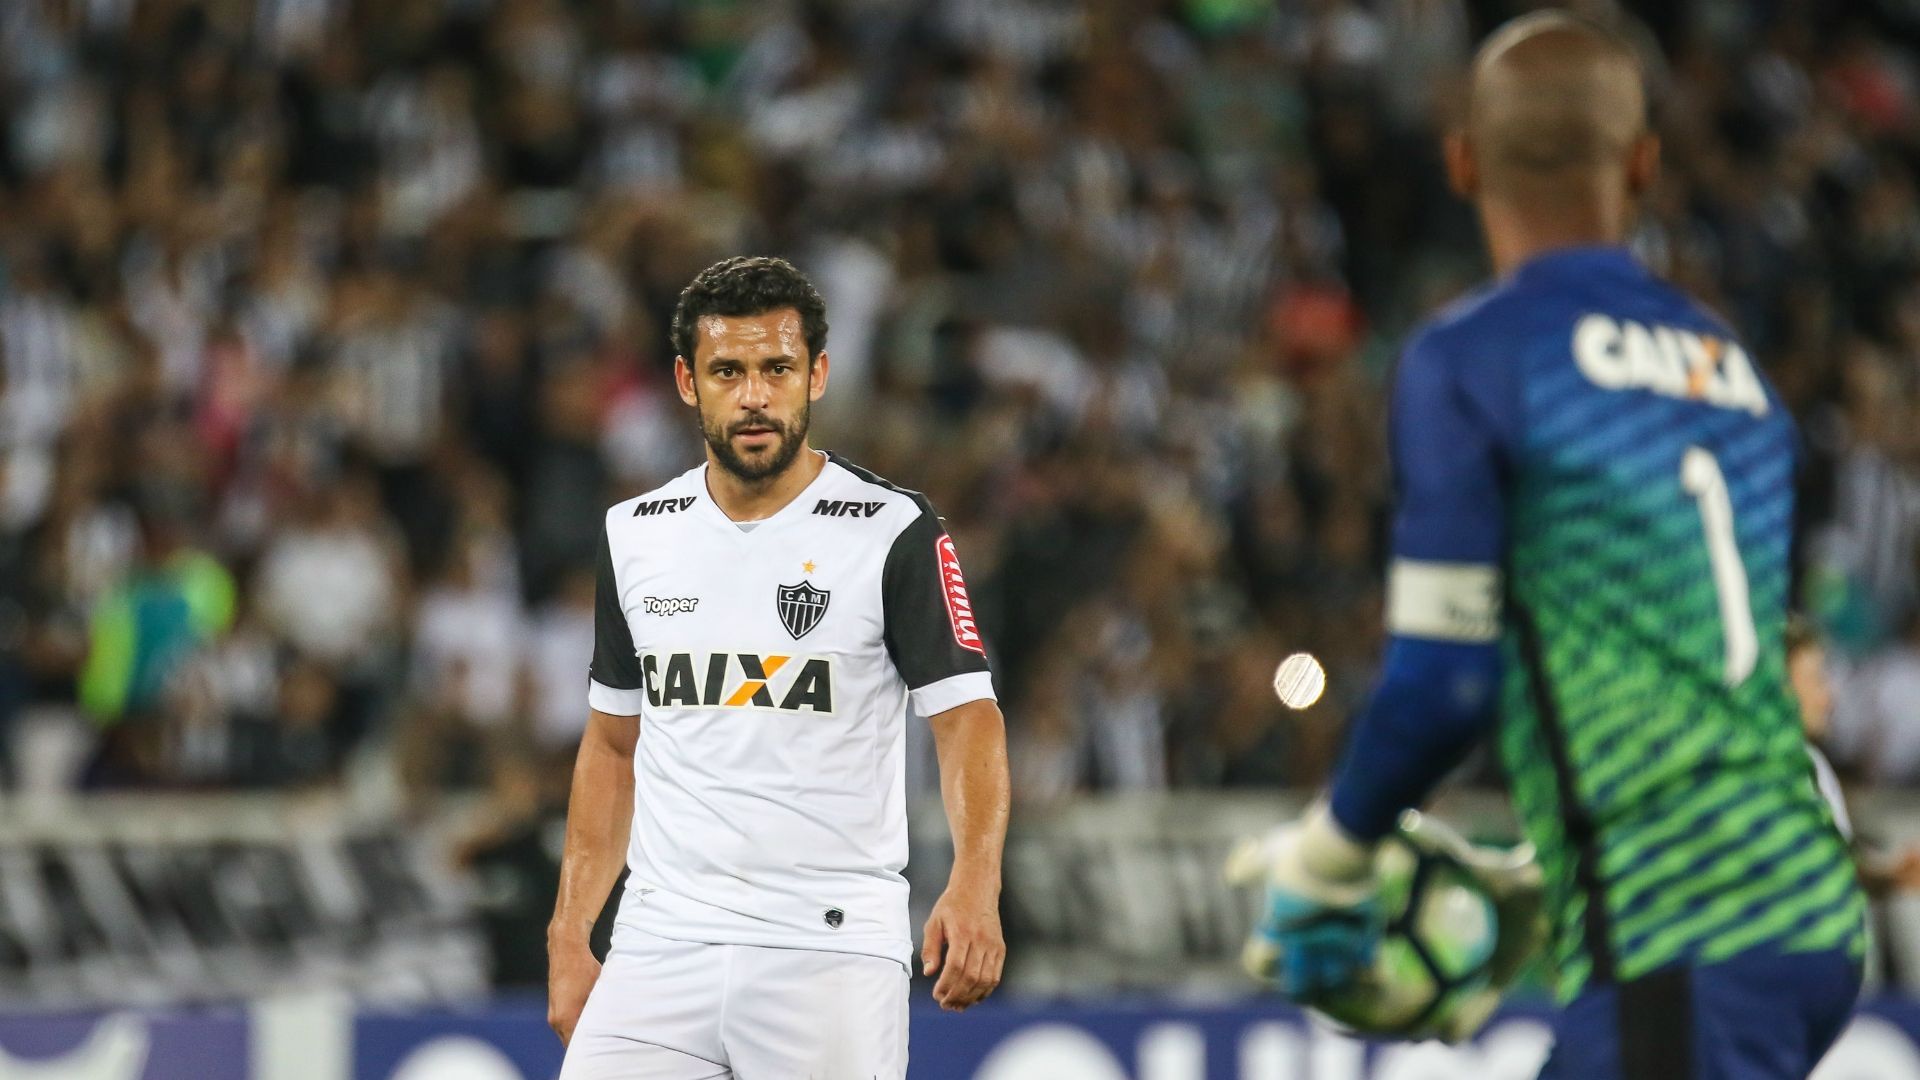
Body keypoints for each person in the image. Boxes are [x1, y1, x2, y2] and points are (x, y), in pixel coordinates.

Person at [1240, 13, 1866, 1079]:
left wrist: (1333, 853)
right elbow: (1717, 678)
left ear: (1463, 162)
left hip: (1681, 929)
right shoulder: (1737, 377)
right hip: (1802, 903)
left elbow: (1444, 685)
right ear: (1644, 166)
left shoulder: (1475, 359)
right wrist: (1549, 870)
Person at [547, 256, 1010, 1079]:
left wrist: (975, 881)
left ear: (818, 375)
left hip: (825, 950)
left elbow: (967, 716)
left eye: (777, 369)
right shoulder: (634, 535)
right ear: (688, 382)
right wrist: (570, 930)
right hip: (660, 944)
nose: (755, 395)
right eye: (729, 370)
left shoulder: (893, 531)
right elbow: (613, 745)